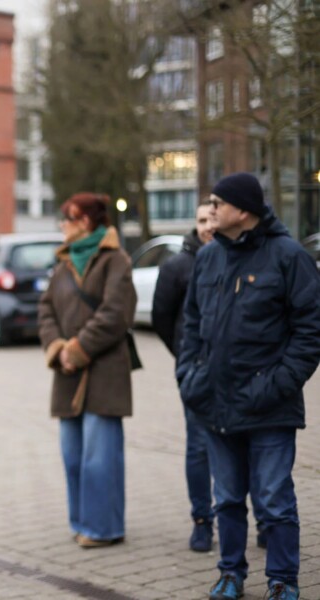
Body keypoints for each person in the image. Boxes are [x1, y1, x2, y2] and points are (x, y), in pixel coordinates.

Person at [176, 172, 320, 600]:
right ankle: (230, 574)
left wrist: (275, 385)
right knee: (226, 498)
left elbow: (310, 332)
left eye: (218, 203)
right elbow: (190, 324)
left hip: (269, 407)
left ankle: (283, 580)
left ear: (242, 210)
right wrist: (191, 376)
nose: (211, 210)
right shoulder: (208, 258)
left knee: (273, 498)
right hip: (216, 403)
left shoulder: (288, 256)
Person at [38, 192, 136, 549]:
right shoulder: (64, 263)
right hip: (67, 373)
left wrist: (78, 349)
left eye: (67, 218)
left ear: (85, 222)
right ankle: (82, 522)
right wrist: (58, 348)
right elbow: (46, 310)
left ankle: (103, 528)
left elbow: (116, 314)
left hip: (104, 371)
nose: (62, 225)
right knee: (73, 455)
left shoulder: (115, 260)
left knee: (100, 458)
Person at [151, 199, 215, 553]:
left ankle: (264, 521)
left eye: (212, 219)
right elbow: (162, 318)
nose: (207, 227)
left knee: (244, 447)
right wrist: (185, 358)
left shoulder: (238, 260)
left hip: (237, 372)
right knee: (199, 447)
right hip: (195, 373)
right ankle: (202, 520)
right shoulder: (177, 266)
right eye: (202, 220)